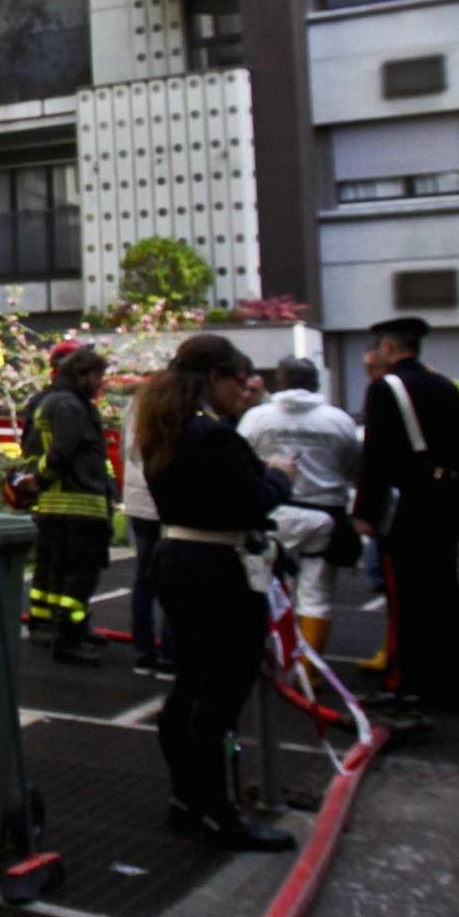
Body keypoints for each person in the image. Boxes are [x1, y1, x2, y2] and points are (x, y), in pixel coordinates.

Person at [132, 334, 293, 851]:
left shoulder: (164, 430)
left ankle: (188, 799)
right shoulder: (215, 438)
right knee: (220, 696)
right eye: (238, 381)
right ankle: (219, 813)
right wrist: (279, 478)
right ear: (215, 379)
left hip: (177, 560)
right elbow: (252, 503)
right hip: (219, 569)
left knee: (189, 688)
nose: (243, 392)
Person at [351, 316, 459, 717]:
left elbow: (377, 456)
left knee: (407, 599)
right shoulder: (447, 386)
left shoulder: (386, 389)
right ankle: (454, 680)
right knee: (444, 593)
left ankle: (409, 682)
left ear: (388, 348)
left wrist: (365, 512)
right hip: (450, 499)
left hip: (412, 504)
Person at [236, 356, 361, 657]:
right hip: (324, 514)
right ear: (316, 383)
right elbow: (352, 466)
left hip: (274, 513)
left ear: (281, 381)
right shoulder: (339, 420)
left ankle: (275, 656)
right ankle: (309, 667)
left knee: (271, 586)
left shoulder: (257, 418)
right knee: (316, 593)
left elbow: (240, 459)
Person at [24, 342, 115, 665]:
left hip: (66, 506)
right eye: (98, 376)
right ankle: (68, 638)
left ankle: (64, 629)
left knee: (60, 574)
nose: (102, 383)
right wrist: (41, 478)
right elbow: (61, 452)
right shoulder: (69, 407)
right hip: (77, 507)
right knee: (78, 576)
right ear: (82, 374)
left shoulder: (62, 402)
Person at [120, 412, 174, 677]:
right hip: (167, 503)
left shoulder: (135, 410)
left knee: (144, 576)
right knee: (173, 579)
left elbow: (126, 453)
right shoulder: (177, 410)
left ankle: (143, 651)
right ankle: (169, 652)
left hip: (139, 500)